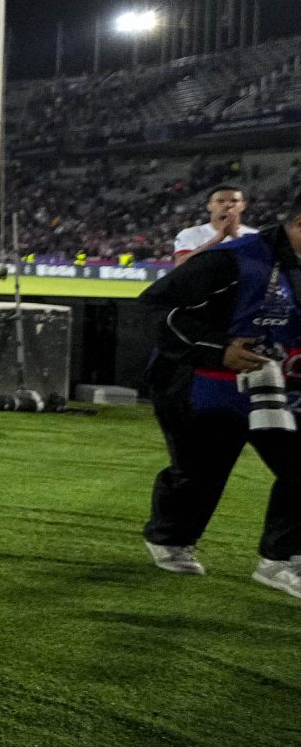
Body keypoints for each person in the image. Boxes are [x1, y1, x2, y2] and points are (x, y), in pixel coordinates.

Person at [137, 200, 301, 597]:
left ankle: (281, 560)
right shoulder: (233, 259)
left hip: (276, 385)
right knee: (199, 475)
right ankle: (170, 539)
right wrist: (218, 350)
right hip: (200, 381)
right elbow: (157, 308)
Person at [173, 187, 252, 258]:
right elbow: (180, 264)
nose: (228, 205)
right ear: (209, 206)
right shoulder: (190, 234)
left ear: (243, 205)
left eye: (234, 201)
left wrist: (235, 236)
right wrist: (216, 240)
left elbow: (262, 265)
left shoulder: (255, 235)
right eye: (220, 201)